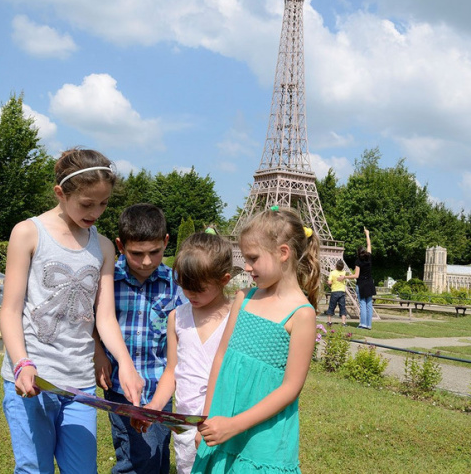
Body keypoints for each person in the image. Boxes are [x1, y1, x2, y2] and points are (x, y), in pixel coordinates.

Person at [0, 148, 143, 474]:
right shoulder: (28, 233)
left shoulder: (104, 246)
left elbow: (103, 317)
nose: (96, 212)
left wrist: (126, 364)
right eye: (87, 204)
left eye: (104, 203)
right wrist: (22, 363)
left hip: (79, 385)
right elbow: (10, 311)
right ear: (61, 194)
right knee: (35, 470)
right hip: (33, 378)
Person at [192, 206, 319, 473]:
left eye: (253, 258)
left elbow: (290, 389)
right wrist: (208, 419)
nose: (246, 267)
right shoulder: (244, 298)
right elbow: (221, 357)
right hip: (221, 419)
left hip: (263, 439)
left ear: (283, 253)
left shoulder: (302, 314)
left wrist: (233, 426)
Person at [94, 203, 184, 474]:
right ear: (120, 246)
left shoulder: (174, 283)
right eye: (137, 254)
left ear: (166, 242)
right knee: (135, 460)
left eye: (154, 252)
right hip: (121, 389)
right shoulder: (108, 280)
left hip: (161, 386)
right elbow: (92, 319)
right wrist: (97, 351)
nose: (146, 261)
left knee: (157, 455)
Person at [133, 231, 233, 474]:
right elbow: (172, 371)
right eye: (184, 286)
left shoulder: (236, 318)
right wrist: (154, 406)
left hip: (225, 423)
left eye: (199, 288)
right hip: (186, 426)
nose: (190, 294)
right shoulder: (177, 318)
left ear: (224, 279)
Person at [343, 227, 374, 330]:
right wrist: (367, 234)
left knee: (362, 304)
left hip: (361, 284)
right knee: (369, 304)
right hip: (370, 283)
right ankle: (369, 325)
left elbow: (356, 276)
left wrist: (345, 276)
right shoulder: (369, 257)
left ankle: (363, 324)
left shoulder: (358, 261)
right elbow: (369, 244)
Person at [325, 259, 348, 325]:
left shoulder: (332, 273)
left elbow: (329, 282)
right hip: (342, 291)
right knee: (342, 307)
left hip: (334, 291)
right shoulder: (344, 273)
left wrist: (330, 282)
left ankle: (329, 321)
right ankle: (343, 322)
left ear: (336, 266)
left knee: (331, 306)